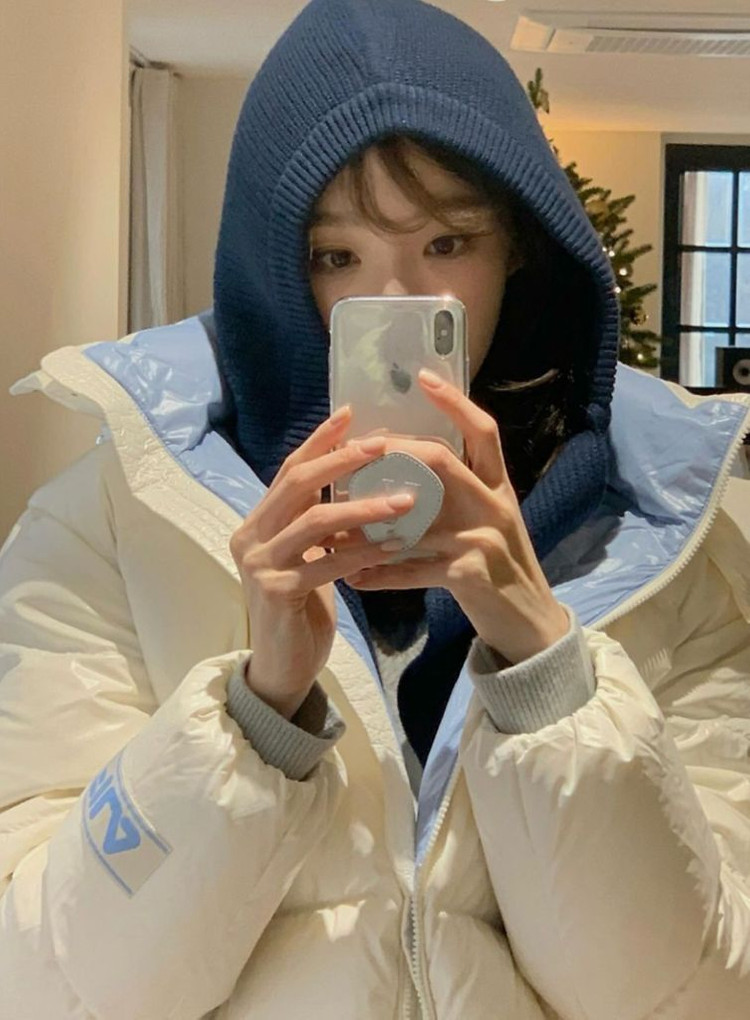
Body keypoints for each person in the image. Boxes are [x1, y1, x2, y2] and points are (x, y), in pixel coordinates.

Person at [1, 0, 749, 1017]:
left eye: (447, 241)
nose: (395, 297)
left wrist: (546, 667)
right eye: (335, 257)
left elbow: (701, 991)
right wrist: (257, 715)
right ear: (271, 266)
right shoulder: (110, 524)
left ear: (519, 246)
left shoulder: (671, 538)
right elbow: (42, 983)